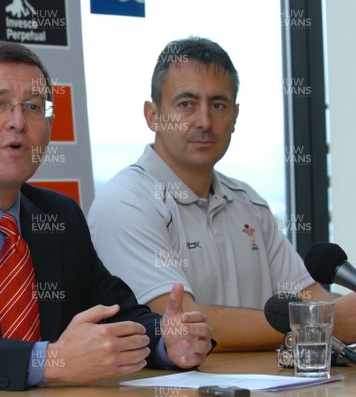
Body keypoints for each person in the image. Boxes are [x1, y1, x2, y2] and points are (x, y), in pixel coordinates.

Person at [0, 41, 213, 392]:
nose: (18, 122)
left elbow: (115, 313)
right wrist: (50, 360)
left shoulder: (58, 217)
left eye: (33, 107)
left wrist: (165, 341)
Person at [88, 37, 356, 352]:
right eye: (186, 104)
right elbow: (181, 324)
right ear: (153, 115)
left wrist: (333, 313)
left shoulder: (248, 202)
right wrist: (325, 322)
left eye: (218, 105)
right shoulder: (126, 201)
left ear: (235, 116)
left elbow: (309, 296)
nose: (204, 121)